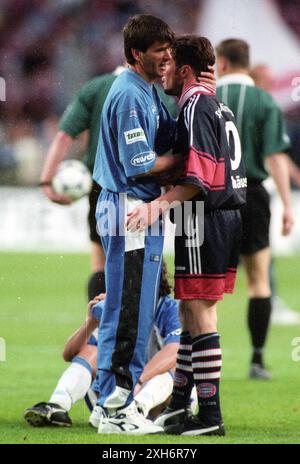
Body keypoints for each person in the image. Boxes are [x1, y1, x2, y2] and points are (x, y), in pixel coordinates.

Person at [127, 35, 246, 436]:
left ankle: (210, 415)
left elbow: (200, 178)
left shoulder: (196, 104)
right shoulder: (209, 102)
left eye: (169, 62)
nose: (162, 69)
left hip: (205, 216)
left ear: (185, 70)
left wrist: (155, 206)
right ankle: (180, 405)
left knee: (199, 313)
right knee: (188, 313)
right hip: (223, 217)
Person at [91, 14, 185, 435]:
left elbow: (165, 134)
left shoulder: (145, 90)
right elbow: (140, 163)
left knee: (120, 309)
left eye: (169, 48)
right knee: (132, 311)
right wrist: (183, 164)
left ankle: (105, 399)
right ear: (135, 54)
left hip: (126, 207)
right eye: (159, 50)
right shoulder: (130, 95)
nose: (167, 56)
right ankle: (119, 408)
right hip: (131, 209)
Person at [39, 66, 178, 302]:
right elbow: (170, 144)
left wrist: (46, 179)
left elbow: (65, 135)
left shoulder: (96, 87)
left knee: (100, 262)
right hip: (145, 188)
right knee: (144, 263)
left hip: (102, 185)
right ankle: (144, 327)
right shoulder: (159, 93)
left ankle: (97, 328)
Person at [216, 39, 295, 379]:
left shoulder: (205, 98)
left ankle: (201, 359)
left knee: (209, 285)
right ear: (246, 63)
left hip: (213, 197)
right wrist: (288, 205)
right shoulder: (265, 101)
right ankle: (257, 360)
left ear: (220, 62)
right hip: (254, 195)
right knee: (259, 281)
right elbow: (276, 157)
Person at [23, 264, 185, 428]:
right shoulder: (116, 306)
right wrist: (91, 322)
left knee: (177, 365)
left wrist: (138, 380)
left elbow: (174, 351)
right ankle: (57, 405)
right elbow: (68, 353)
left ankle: (137, 409)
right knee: (91, 350)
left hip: (158, 400)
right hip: (113, 397)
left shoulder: (168, 309)